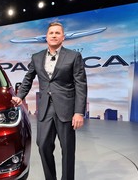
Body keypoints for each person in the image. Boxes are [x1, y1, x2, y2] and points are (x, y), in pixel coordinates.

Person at [11, 22, 87, 180]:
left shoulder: (74, 56)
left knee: (67, 149)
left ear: (63, 37)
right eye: (51, 33)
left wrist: (79, 112)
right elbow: (28, 78)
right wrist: (20, 96)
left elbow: (81, 84)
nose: (54, 35)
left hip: (66, 108)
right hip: (45, 108)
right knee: (43, 145)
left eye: (57, 33)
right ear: (46, 37)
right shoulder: (37, 57)